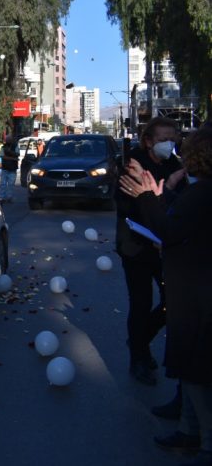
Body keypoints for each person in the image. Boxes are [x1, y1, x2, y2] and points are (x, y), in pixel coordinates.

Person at [120, 126, 212, 462]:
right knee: (192, 368)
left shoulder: (204, 192)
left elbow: (172, 229)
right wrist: (163, 196)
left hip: (196, 292)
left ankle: (205, 441)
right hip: (188, 285)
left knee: (198, 371)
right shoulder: (198, 190)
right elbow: (181, 219)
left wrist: (149, 197)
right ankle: (189, 430)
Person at [115, 116, 185, 386]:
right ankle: (139, 359)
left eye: (172, 138)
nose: (169, 144)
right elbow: (127, 205)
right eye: (162, 139)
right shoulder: (133, 164)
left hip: (167, 246)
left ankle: (139, 340)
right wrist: (158, 198)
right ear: (147, 141)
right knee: (140, 303)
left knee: (172, 302)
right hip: (137, 247)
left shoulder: (173, 164)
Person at [0, 135, 18, 202]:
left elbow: (17, 155)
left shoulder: (15, 147)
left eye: (10, 140)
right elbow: (2, 156)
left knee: (10, 184)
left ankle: (9, 197)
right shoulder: (3, 147)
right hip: (5, 168)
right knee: (3, 184)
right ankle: (2, 197)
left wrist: (9, 154)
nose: (8, 141)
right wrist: (13, 158)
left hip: (12, 169)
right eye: (7, 140)